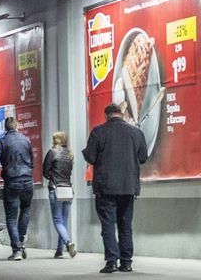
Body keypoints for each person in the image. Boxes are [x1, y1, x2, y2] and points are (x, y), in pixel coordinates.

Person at [82, 103, 148, 274]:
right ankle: (126, 262)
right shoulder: (136, 132)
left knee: (108, 225)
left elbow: (90, 157)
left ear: (106, 116)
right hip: (128, 186)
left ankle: (111, 261)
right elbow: (143, 157)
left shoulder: (99, 131)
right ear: (122, 114)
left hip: (106, 186)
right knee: (125, 225)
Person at [0, 117, 34, 261]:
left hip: (12, 181)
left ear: (5, 128)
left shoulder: (2, 142)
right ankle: (21, 241)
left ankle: (16, 250)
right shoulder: (26, 140)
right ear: (16, 126)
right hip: (27, 180)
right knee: (26, 210)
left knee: (11, 217)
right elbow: (32, 160)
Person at [43, 131, 76, 259]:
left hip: (56, 189)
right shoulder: (70, 154)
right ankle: (59, 251)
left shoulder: (52, 152)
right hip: (68, 189)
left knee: (57, 220)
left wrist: (51, 177)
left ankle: (68, 241)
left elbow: (45, 171)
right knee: (64, 221)